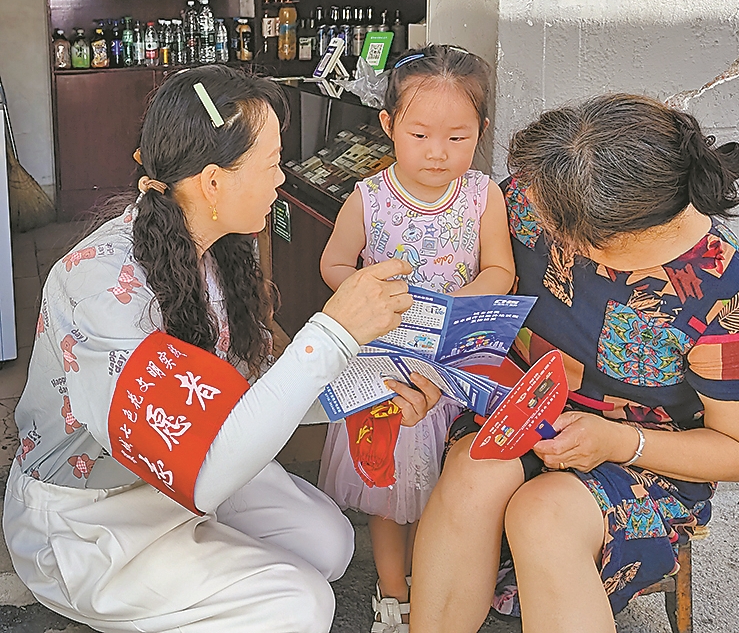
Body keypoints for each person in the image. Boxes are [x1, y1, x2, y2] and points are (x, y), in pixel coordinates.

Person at [2, 65, 442, 633]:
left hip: (181, 485)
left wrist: (371, 388)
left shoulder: (217, 250)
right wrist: (333, 333)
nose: (281, 180)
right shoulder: (100, 285)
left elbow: (248, 394)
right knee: (302, 603)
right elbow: (203, 471)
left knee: (329, 545)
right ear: (212, 182)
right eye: (271, 163)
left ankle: (204, 577)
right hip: (93, 524)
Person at [410, 93, 739, 633]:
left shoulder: (728, 293)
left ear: (607, 241)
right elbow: (470, 294)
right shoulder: (538, 195)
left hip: (651, 458)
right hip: (521, 407)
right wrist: (434, 368)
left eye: (551, 225)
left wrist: (619, 442)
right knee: (474, 474)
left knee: (545, 516)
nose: (528, 209)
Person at [318, 44, 515, 632]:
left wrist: (459, 301)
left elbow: (500, 270)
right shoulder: (369, 198)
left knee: (443, 487)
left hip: (453, 360)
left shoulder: (483, 196)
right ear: (388, 126)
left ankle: (434, 586)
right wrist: (373, 291)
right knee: (389, 482)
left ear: (481, 131)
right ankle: (392, 591)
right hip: (389, 364)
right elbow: (333, 263)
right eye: (420, 134)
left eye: (457, 138)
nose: (437, 152)